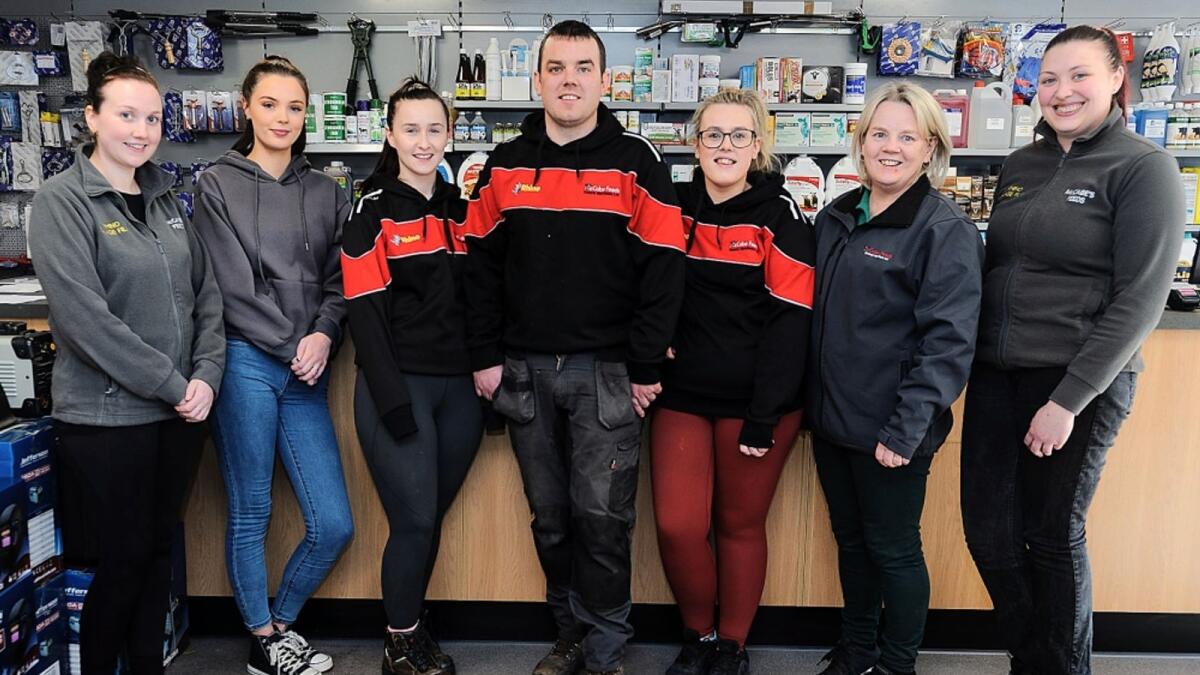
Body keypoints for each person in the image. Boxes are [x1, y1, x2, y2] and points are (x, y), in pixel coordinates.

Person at [461, 20, 686, 675]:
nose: (569, 80)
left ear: (604, 80)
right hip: (523, 370)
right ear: (537, 80)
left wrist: (645, 362)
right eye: (556, 68)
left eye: (583, 68)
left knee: (602, 518)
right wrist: (484, 355)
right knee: (552, 518)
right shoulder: (505, 164)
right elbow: (478, 265)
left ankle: (607, 650)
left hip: (606, 373)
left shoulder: (637, 161)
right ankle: (570, 637)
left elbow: (665, 268)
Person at [961, 26, 1186, 675]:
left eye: (1079, 75)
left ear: (1117, 78)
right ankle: (1040, 661)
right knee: (989, 535)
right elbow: (999, 266)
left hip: (1076, 377)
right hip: (997, 373)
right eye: (1049, 79)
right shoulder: (1021, 165)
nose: (1062, 91)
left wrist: (1068, 401)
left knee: (1052, 535)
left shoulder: (1144, 167)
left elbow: (1140, 299)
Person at [28, 51, 225, 675]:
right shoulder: (62, 202)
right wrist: (173, 383)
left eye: (153, 118)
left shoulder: (165, 198)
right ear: (91, 117)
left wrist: (206, 375)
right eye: (126, 115)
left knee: (159, 554)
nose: (141, 131)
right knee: (124, 560)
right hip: (108, 420)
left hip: (178, 415)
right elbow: (86, 322)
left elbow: (206, 296)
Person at [805, 82, 984, 675]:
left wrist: (905, 429)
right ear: (860, 141)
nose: (890, 147)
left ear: (930, 147)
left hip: (892, 428)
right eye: (879, 133)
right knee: (852, 542)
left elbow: (948, 343)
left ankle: (897, 664)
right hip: (833, 422)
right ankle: (858, 650)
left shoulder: (943, 228)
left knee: (894, 549)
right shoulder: (838, 215)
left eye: (907, 137)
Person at [192, 56, 352, 675]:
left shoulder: (328, 193)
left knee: (333, 524)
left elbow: (341, 282)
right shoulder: (216, 185)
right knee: (252, 510)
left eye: (295, 107)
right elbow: (230, 288)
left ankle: (279, 626)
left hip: (306, 371)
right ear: (246, 108)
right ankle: (263, 638)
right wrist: (295, 344)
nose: (282, 118)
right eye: (269, 104)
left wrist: (325, 334)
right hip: (246, 364)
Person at [650, 89, 814, 675]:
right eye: (713, 134)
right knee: (677, 526)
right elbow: (642, 281)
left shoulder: (782, 216)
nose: (726, 146)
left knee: (739, 525)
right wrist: (652, 339)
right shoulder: (672, 207)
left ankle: (731, 648)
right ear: (695, 145)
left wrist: (765, 413)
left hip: (758, 402)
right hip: (683, 394)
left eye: (739, 135)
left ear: (757, 146)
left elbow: (791, 322)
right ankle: (699, 635)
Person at [341, 77, 482, 675]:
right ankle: (399, 647)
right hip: (398, 388)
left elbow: (483, 301)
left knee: (428, 520)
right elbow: (365, 317)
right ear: (390, 134)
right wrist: (393, 403)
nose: (424, 142)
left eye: (434, 129)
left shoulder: (463, 210)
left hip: (460, 392)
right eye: (411, 129)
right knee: (415, 519)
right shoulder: (370, 209)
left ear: (449, 134)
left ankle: (413, 626)